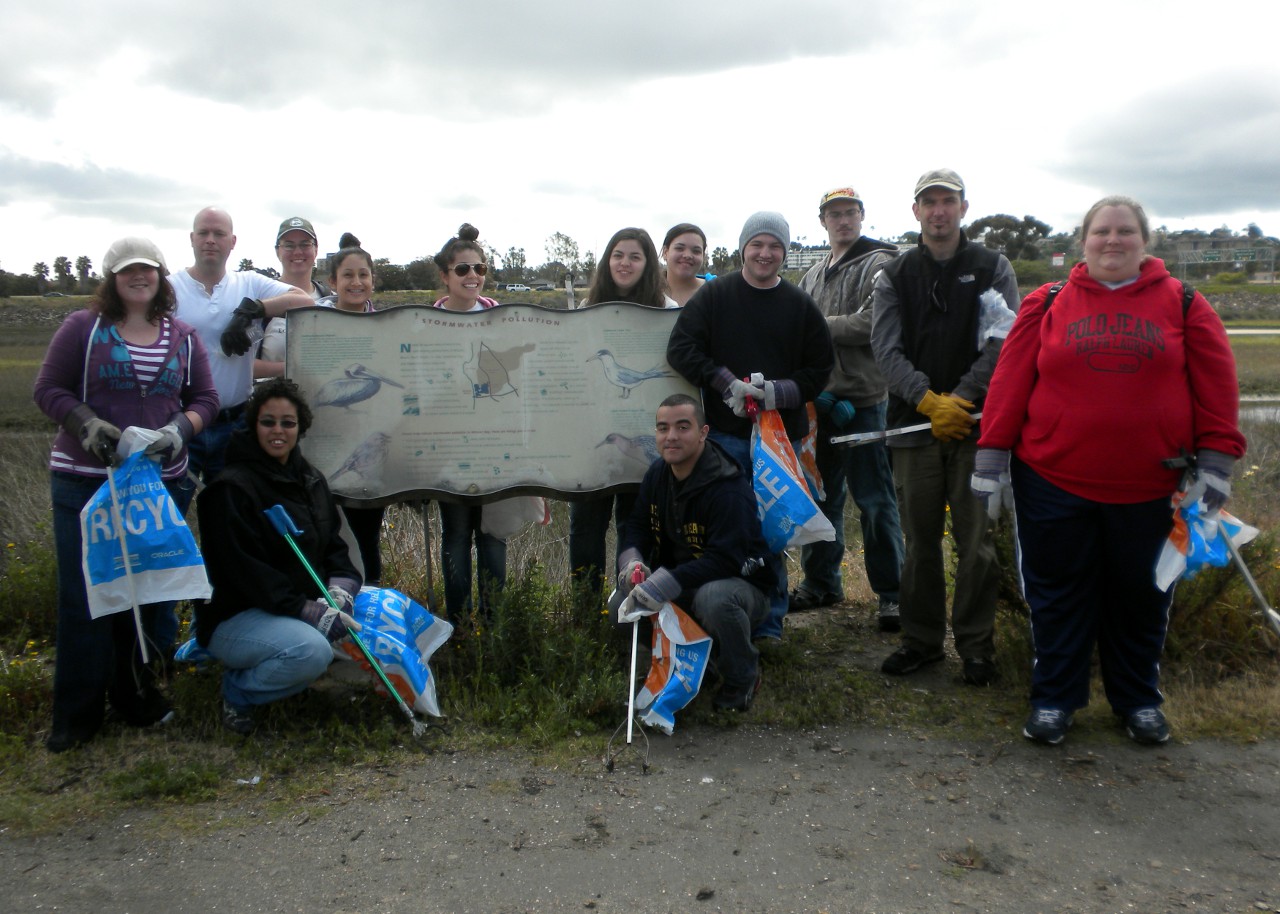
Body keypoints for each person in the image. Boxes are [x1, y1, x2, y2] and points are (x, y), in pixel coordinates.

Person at [973, 195, 1245, 746]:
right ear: (1084, 240)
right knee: (1056, 595)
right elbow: (1009, 385)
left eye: (1125, 231)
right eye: (1102, 231)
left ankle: (1138, 700)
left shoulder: (1186, 302)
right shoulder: (1047, 302)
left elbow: (1218, 391)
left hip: (1151, 487)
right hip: (1051, 481)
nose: (1113, 241)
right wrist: (991, 458)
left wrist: (1216, 466)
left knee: (1143, 595)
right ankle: (1054, 699)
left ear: (1146, 241)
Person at [33, 237, 219, 752]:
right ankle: (76, 714)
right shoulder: (82, 329)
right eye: (127, 271)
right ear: (112, 279)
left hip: (154, 487)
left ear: (159, 276)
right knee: (86, 595)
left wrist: (179, 431)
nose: (139, 277)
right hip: (85, 484)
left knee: (139, 596)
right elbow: (48, 389)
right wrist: (86, 424)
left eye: (148, 270)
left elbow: (205, 397)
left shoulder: (181, 337)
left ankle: (135, 696)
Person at [870, 168, 1020, 686]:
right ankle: (922, 641)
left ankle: (977, 647)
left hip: (977, 429)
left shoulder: (992, 267)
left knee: (976, 543)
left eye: (947, 201)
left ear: (963, 207)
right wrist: (927, 401)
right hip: (913, 430)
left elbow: (1005, 341)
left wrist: (962, 398)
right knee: (920, 541)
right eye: (928, 202)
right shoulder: (894, 274)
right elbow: (885, 349)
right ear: (915, 211)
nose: (938, 210)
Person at [666, 212, 834, 642]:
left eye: (775, 246)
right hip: (724, 437)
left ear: (784, 252)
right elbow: (681, 349)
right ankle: (720, 617)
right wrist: (728, 385)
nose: (765, 253)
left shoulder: (799, 306)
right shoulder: (716, 296)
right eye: (757, 244)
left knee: (771, 532)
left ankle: (770, 623)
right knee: (726, 528)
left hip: (781, 442)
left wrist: (777, 393)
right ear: (743, 248)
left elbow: (820, 369)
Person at [195, 377, 362, 735]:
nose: (278, 431)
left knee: (373, 625)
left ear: (300, 428)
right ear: (253, 425)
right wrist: (310, 612)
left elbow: (334, 547)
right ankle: (238, 690)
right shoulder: (230, 489)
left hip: (292, 606)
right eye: (268, 421)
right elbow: (243, 573)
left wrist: (340, 594)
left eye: (288, 423)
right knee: (312, 652)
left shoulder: (311, 480)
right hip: (239, 616)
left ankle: (296, 681)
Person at [615, 394, 774, 710]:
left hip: (740, 587)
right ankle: (703, 661)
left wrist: (662, 584)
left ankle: (742, 674)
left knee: (713, 600)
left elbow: (725, 560)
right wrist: (632, 561)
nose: (671, 436)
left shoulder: (728, 487)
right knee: (620, 604)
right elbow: (636, 528)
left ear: (703, 433)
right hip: (682, 582)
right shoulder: (658, 474)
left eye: (682, 427)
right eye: (663, 428)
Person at [793, 187, 906, 631]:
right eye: (834, 214)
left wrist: (815, 326)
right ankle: (821, 583)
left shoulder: (881, 263)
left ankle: (892, 594)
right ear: (822, 221)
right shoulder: (815, 273)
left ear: (862, 216)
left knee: (875, 499)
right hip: (820, 403)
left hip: (863, 403)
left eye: (850, 213)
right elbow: (796, 332)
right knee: (820, 498)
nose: (843, 221)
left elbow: (871, 323)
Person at [569, 228, 678, 607]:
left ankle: (633, 610)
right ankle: (584, 609)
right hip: (594, 442)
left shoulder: (666, 310)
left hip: (643, 440)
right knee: (585, 527)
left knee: (635, 529)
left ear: (648, 263)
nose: (625, 263)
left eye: (634, 256)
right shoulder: (586, 310)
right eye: (618, 255)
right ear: (607, 261)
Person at [170, 206, 312, 483]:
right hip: (181, 422)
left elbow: (305, 301)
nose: (211, 239)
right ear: (192, 238)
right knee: (172, 511)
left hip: (232, 424)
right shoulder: (169, 289)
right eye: (204, 233)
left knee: (230, 513)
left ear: (232, 242)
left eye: (219, 233)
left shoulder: (248, 283)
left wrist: (255, 309)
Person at [431, 224, 507, 621]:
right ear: (445, 275)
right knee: (457, 534)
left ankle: (495, 623)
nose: (472, 275)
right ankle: (458, 622)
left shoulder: (502, 318)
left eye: (479, 267)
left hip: (496, 444)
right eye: (462, 270)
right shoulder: (425, 323)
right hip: (449, 447)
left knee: (493, 536)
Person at [321, 233, 386, 585]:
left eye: (363, 275)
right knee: (329, 538)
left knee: (367, 536)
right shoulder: (315, 328)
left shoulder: (385, 329)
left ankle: (370, 602)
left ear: (373, 281)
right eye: (347, 275)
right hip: (326, 451)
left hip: (370, 453)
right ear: (333, 282)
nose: (356, 282)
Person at [257, 216, 331, 377]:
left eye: (305, 244)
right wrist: (295, 368)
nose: (298, 252)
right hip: (271, 398)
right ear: (277, 251)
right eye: (289, 246)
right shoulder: (261, 301)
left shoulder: (331, 300)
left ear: (316, 250)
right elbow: (240, 366)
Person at [661, 223, 707, 306]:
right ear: (665, 252)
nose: (687, 256)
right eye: (679, 248)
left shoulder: (718, 291)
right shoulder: (645, 292)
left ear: (703, 256)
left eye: (696, 251)